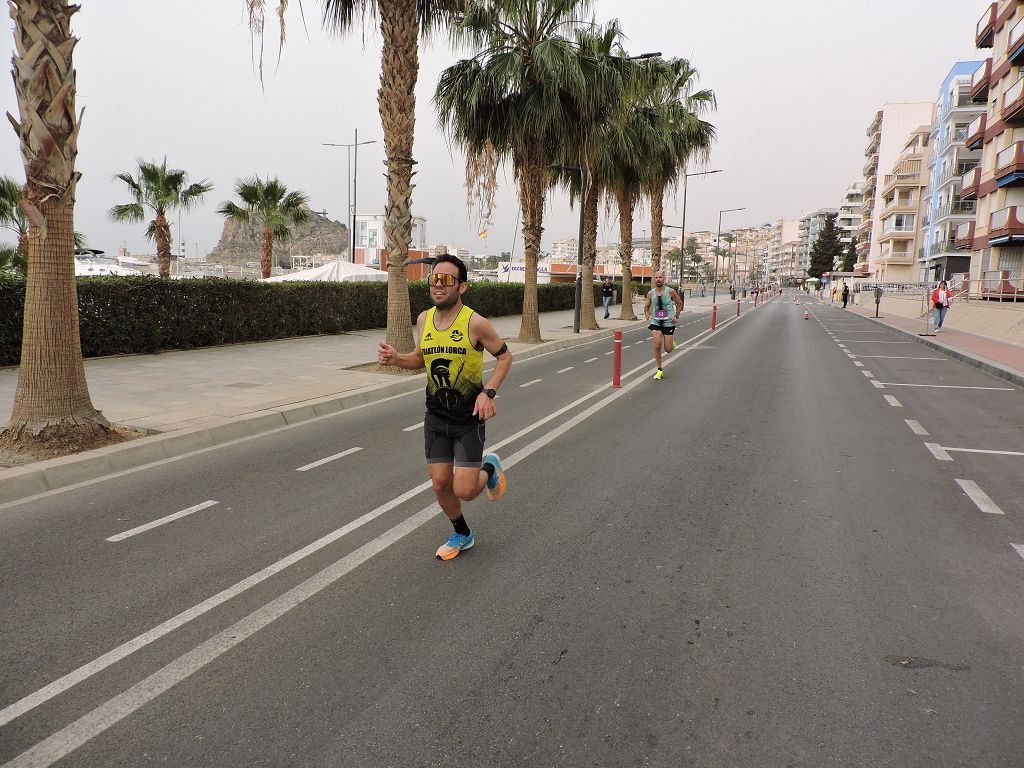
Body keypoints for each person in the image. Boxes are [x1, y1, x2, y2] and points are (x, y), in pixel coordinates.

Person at [378, 254, 512, 561]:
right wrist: (397, 359)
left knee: (465, 490)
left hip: (468, 419)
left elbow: (505, 358)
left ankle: (489, 466)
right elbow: (420, 359)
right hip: (436, 416)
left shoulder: (476, 324)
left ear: (461, 287)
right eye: (434, 279)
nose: (438, 285)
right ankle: (462, 533)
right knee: (440, 484)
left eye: (447, 280)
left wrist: (488, 392)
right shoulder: (424, 319)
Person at [644, 270, 683, 380]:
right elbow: (646, 306)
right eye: (656, 278)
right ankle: (659, 370)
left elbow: (679, 303)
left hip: (668, 322)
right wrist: (646, 313)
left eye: (660, 277)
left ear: (664, 279)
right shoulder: (651, 293)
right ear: (654, 279)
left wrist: (676, 316)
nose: (658, 280)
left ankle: (672, 344)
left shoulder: (670, 291)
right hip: (656, 321)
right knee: (657, 345)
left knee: (668, 349)